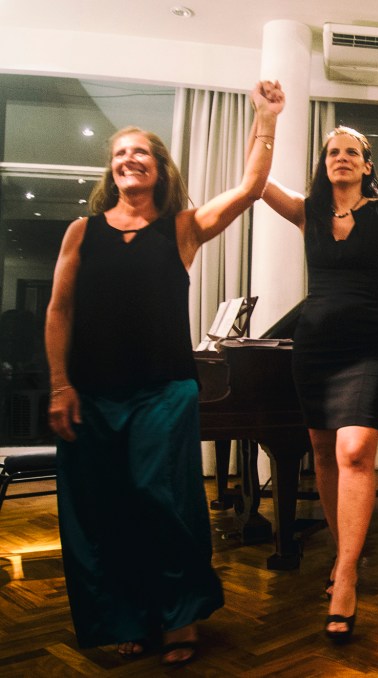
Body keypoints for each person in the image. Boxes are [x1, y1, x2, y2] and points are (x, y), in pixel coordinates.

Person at [45, 81, 284, 665]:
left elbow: (250, 188)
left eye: (140, 152)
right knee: (106, 507)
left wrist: (267, 118)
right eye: (119, 153)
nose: (129, 159)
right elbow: (59, 310)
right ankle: (128, 615)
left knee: (164, 499)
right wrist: (60, 384)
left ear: (158, 168)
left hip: (164, 389)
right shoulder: (82, 232)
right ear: (111, 170)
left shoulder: (182, 227)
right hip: (93, 393)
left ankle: (179, 615)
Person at [258, 126, 378, 643]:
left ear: (367, 165)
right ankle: (341, 552)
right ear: (324, 163)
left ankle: (347, 575)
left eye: (352, 151)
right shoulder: (308, 211)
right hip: (314, 347)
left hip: (369, 345)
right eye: (333, 151)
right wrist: (265, 123)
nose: (342, 157)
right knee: (324, 454)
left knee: (354, 452)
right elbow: (256, 183)